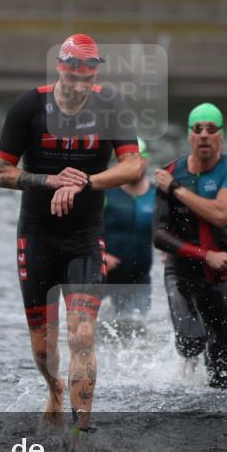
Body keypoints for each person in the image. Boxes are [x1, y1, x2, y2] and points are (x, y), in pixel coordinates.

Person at [0, 33, 144, 433]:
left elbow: (134, 167)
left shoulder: (110, 104)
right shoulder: (29, 106)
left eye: (90, 69)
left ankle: (81, 433)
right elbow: (1, 174)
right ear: (60, 67)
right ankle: (54, 387)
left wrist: (84, 183)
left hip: (84, 236)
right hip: (37, 235)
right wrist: (50, 181)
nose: (81, 79)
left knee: (81, 335)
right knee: (44, 348)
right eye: (74, 69)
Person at [153, 103, 227, 390]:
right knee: (192, 341)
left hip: (222, 277)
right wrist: (205, 255)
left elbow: (221, 213)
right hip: (182, 273)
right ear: (189, 135)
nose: (204, 134)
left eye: (211, 129)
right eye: (198, 129)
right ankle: (184, 380)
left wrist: (176, 190)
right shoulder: (171, 171)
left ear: (221, 135)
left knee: (221, 380)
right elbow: (157, 235)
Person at [101, 137, 156, 332]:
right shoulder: (106, 192)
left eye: (138, 158)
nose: (134, 165)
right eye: (127, 160)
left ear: (146, 160)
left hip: (138, 278)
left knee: (135, 331)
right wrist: (101, 256)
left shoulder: (157, 196)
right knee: (92, 332)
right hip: (102, 276)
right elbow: (81, 229)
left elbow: (168, 230)